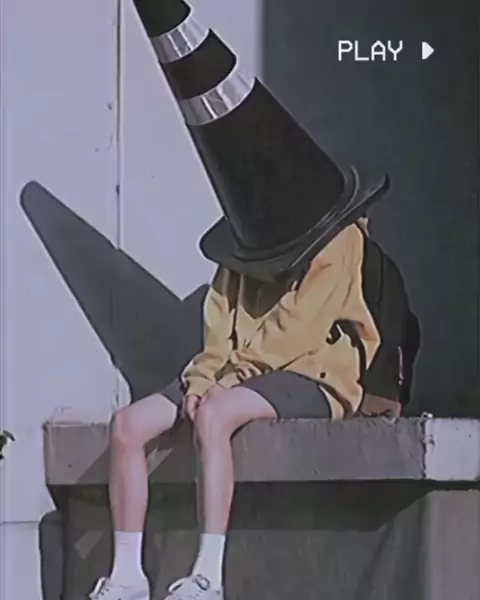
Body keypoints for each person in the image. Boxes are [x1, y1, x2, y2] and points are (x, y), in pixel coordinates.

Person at [88, 1, 404, 598]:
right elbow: (219, 321)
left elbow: (298, 329)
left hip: (315, 373)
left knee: (215, 417)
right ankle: (128, 573)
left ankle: (209, 573)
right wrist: (203, 375)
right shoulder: (244, 244)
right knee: (128, 426)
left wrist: (220, 385)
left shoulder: (340, 241)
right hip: (234, 373)